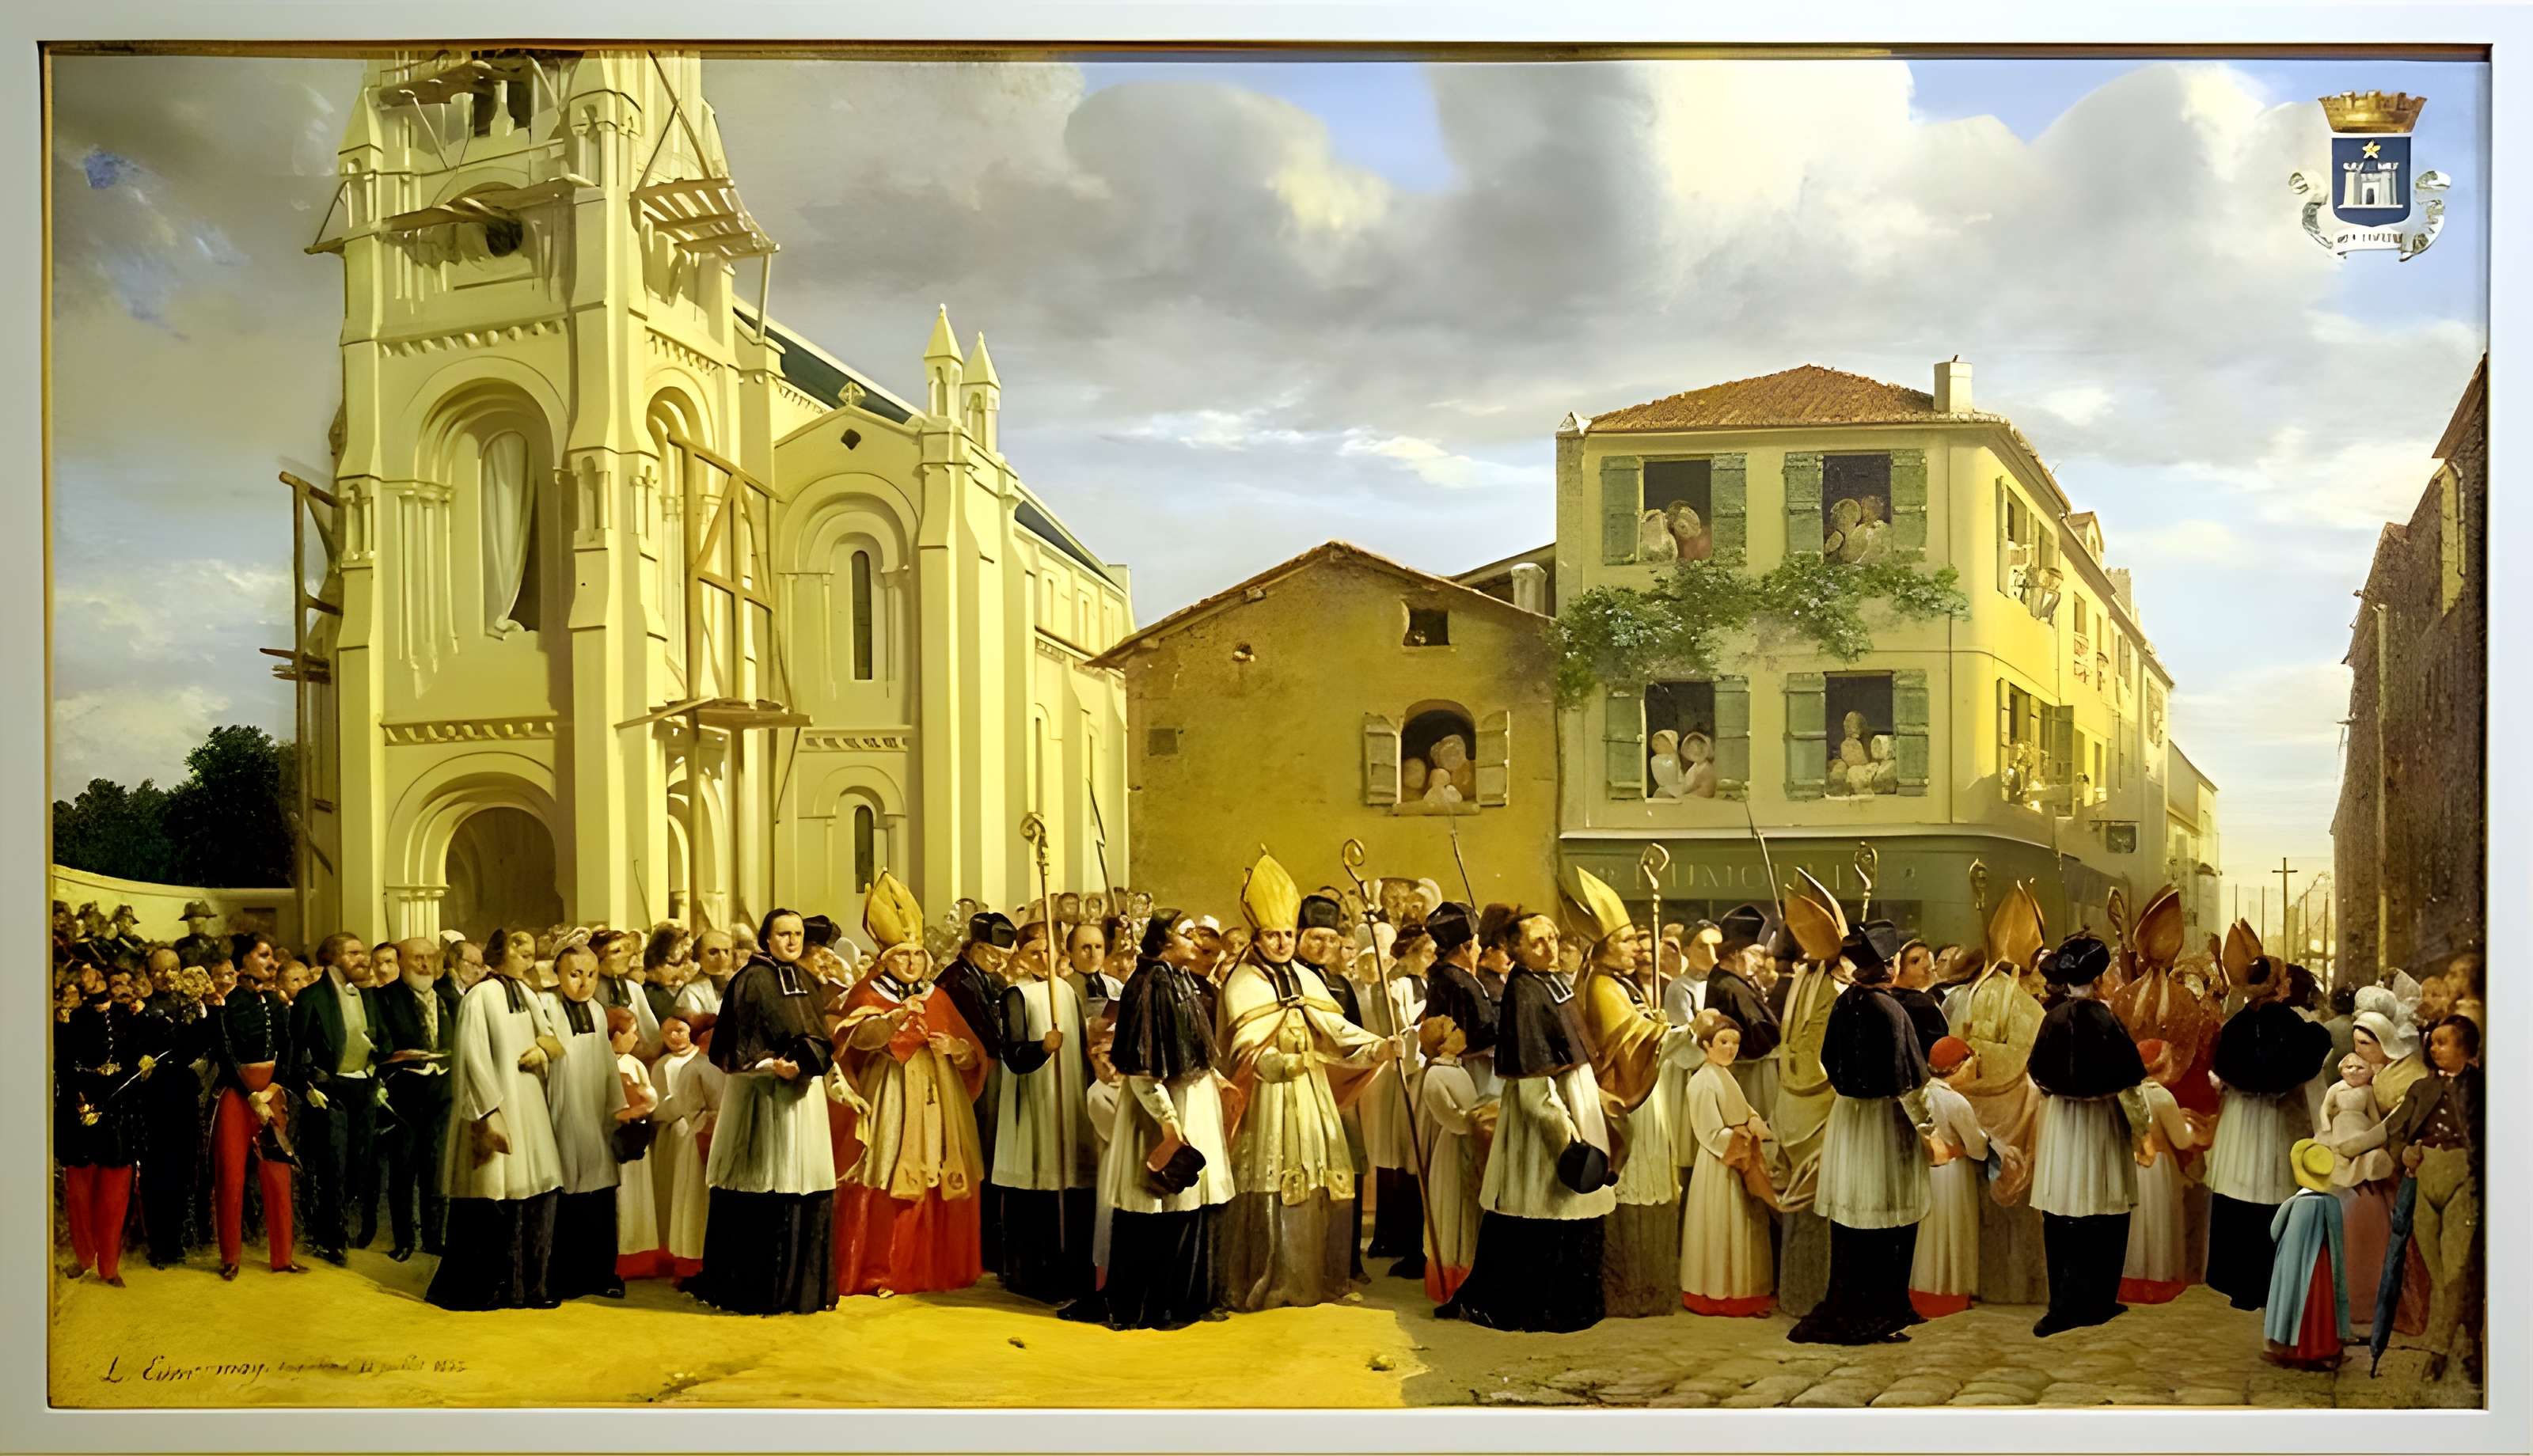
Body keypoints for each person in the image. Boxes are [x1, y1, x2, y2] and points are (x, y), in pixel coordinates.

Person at [1217, 854, 1393, 1312]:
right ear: (1256, 937)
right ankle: (1274, 1280)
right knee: (1276, 1184)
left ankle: (1315, 1279)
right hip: (1269, 1100)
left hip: (1311, 1094)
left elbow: (1337, 1030)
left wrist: (1378, 1045)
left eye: (1287, 935)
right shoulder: (1243, 981)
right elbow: (1243, 1049)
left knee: (1322, 1182)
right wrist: (1275, 1063)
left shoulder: (1306, 977)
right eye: (1272, 935)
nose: (1280, 943)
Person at [1436, 908, 1614, 1333]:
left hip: (1575, 1102)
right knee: (1543, 1211)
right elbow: (1537, 1093)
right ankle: (1538, 1311)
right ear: (1515, 950)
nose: (1549, 946)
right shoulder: (1526, 993)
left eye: (1552, 937)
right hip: (1546, 1126)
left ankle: (1571, 1309)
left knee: (1570, 1216)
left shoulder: (1551, 983)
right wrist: (1569, 1145)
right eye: (1537, 942)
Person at [1061, 911, 1236, 1330]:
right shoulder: (1147, 985)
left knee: (1185, 1209)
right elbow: (1143, 1070)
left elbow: (1191, 1048)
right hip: (1160, 1111)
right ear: (1164, 942)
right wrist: (1169, 1124)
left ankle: (1180, 1303)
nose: (1195, 940)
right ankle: (1143, 1308)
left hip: (1193, 1101)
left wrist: (1217, 1078)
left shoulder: (1178, 978)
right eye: (1187, 933)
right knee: (1154, 1209)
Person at [1787, 919, 1948, 1345]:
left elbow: (1828, 1061)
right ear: (1891, 964)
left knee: (1858, 1222)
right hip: (1883, 1123)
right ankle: (1876, 1313)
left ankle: (1876, 1307)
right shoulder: (1888, 1009)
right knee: (1886, 1221)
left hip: (1850, 1120)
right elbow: (1909, 1086)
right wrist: (1930, 1134)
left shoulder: (1846, 1003)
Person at [832, 878, 988, 1300]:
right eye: (903, 955)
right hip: (892, 1092)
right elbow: (852, 1040)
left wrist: (956, 1048)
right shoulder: (869, 992)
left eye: (917, 955)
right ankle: (882, 1270)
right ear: (885, 960)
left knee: (943, 1169)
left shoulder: (936, 995)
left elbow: (974, 1051)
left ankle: (938, 1266)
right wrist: (891, 1023)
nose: (912, 963)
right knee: (888, 1170)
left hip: (941, 1093)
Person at [689, 909, 842, 1314]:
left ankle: (801, 1292)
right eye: (783, 934)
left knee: (803, 1181)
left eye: (796, 934)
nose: (791, 941)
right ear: (766, 939)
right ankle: (757, 1292)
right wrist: (770, 1066)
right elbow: (733, 1045)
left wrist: (809, 1064)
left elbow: (820, 1037)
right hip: (761, 1099)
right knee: (766, 1183)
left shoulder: (806, 980)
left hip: (803, 1099)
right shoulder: (750, 980)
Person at [1568, 869, 1696, 1320]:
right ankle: (1634, 1292)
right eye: (1625, 943)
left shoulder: (1617, 983)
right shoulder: (1603, 986)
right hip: (1631, 1100)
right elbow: (1633, 1042)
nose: (1636, 950)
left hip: (1645, 1093)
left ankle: (1649, 1287)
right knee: (1638, 1187)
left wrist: (1659, 1027)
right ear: (1602, 949)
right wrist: (1677, 1033)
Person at [427, 927, 566, 1310]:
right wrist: (488, 1111)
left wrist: (542, 1051)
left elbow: (550, 1036)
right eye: (522, 953)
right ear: (501, 953)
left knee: (531, 1194)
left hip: (530, 1106)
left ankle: (526, 1289)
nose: (529, 960)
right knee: (492, 1197)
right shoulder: (480, 996)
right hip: (497, 1107)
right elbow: (472, 1057)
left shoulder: (526, 993)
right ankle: (483, 1289)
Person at [2025, 934, 2150, 1337]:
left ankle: (2061, 1304)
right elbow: (2131, 1086)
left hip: (2063, 1122)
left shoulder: (2053, 1018)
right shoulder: (2107, 1019)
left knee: (2063, 1210)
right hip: (2101, 1123)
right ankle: (2095, 1301)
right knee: (2102, 1212)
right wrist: (2141, 1128)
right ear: (2098, 979)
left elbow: (2037, 1075)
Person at [2202, 958, 2334, 1310]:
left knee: (2241, 1194)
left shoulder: (2235, 1027)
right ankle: (2274, 1283)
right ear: (2279, 986)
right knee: (2272, 1194)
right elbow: (2306, 1062)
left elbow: (2224, 1067)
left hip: (2241, 1122)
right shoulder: (2293, 1024)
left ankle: (2241, 1286)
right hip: (2276, 1121)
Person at [989, 910, 1096, 1305]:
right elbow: (1014, 1054)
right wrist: (1042, 1048)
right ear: (1023, 955)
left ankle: (1073, 1272)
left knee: (1072, 1183)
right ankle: (1031, 1275)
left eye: (1051, 950)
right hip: (1034, 1103)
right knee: (1037, 1188)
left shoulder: (1066, 992)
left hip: (1069, 1103)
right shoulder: (1016, 994)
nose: (1045, 958)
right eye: (1036, 951)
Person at [2383, 1014, 2483, 1384]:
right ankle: (2466, 1347)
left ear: (2466, 1048)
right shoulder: (2421, 1088)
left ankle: (2440, 1350)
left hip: (2462, 1175)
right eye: (2432, 1042)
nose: (2433, 1048)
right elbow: (2395, 1130)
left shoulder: (2481, 1088)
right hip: (2425, 1174)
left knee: (2457, 1268)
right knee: (2437, 1270)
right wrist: (2405, 1152)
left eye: (2443, 1042)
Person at [211, 932, 302, 1280]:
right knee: (231, 1175)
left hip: (271, 1094)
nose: (272, 963)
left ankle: (283, 1257)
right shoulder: (227, 1004)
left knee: (278, 1174)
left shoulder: (277, 1005)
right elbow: (226, 1053)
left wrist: (272, 1090)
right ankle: (230, 1257)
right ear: (244, 960)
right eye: (263, 956)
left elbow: (287, 1051)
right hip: (236, 1096)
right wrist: (249, 1093)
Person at [541, 944, 629, 1301]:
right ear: (558, 974)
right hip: (560, 1112)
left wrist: (617, 1108)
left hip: (596, 1114)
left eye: (591, 974)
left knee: (600, 1195)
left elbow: (607, 1065)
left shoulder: (596, 1010)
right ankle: (561, 1276)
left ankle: (600, 1273)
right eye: (575, 974)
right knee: (564, 1195)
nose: (584, 982)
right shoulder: (545, 1007)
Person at [1293, 892, 1374, 1280]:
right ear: (1299, 936)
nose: (1324, 947)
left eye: (1331, 940)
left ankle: (1347, 1259)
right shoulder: (1287, 979)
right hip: (1302, 1086)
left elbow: (1356, 1037)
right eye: (1316, 939)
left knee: (1349, 1169)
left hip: (1340, 1090)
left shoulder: (1342, 984)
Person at [288, 933, 381, 1264]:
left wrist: (376, 1072)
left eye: (363, 952)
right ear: (332, 957)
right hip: (329, 1092)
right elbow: (296, 1050)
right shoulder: (310, 997)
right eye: (354, 953)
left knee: (359, 1164)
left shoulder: (369, 996)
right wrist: (309, 1085)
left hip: (363, 1089)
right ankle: (331, 1237)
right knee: (333, 1167)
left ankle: (352, 1229)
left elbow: (378, 1040)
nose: (363, 958)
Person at [1681, 1007, 1775, 1317]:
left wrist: (1754, 1121)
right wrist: (1743, 1137)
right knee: (1723, 1227)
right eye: (1723, 1042)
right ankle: (1718, 1296)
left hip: (1740, 1157)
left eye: (1734, 1043)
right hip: (1720, 1165)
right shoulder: (1702, 1082)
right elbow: (1709, 1132)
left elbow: (1744, 1109)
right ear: (1706, 1046)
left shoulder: (1724, 1075)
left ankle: (1743, 1293)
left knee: (1742, 1226)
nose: (1730, 1049)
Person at [55, 962, 143, 1285]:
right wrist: (81, 1101)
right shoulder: (72, 1019)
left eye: (93, 975)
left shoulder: (129, 1018)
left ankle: (110, 1266)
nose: (86, 980)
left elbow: (140, 1061)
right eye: (84, 976)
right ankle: (83, 1257)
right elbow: (62, 1065)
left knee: (115, 1193)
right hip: (80, 1109)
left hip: (119, 1111)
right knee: (79, 1191)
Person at [375, 936, 461, 1262]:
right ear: (401, 962)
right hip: (404, 1094)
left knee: (436, 1169)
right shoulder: (384, 998)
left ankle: (434, 1238)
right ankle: (404, 1240)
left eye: (429, 958)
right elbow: (381, 1046)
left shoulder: (449, 998)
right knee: (403, 1169)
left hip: (442, 1093)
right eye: (417, 959)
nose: (425, 964)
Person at [942, 912, 1016, 1268]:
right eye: (992, 954)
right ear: (974, 947)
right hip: (973, 1077)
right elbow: (985, 1033)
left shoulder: (994, 979)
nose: (998, 962)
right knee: (980, 1155)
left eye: (1003, 957)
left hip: (994, 1070)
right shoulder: (956, 981)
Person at [133, 952, 213, 1269]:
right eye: (160, 970)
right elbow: (135, 1053)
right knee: (156, 1172)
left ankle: (177, 1241)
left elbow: (204, 1046)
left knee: (184, 1170)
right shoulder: (142, 1013)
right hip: (155, 1103)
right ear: (149, 975)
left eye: (174, 969)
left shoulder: (193, 1009)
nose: (168, 976)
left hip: (184, 1096)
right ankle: (158, 1245)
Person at [1361, 924, 1433, 1278]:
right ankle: (1393, 1235)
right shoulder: (1394, 986)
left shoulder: (1424, 983)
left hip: (1420, 1074)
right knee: (1401, 1152)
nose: (1430, 958)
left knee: (1413, 1154)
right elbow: (1395, 1031)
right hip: (1399, 1074)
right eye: (1425, 952)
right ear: (1409, 955)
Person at [1908, 1036, 1989, 1319]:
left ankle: (1920, 1293)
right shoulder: (1956, 1102)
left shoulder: (1919, 1093)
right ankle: (1949, 1296)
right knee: (1953, 1232)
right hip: (1953, 1175)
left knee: (1925, 1235)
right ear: (1957, 1067)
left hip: (1923, 1171)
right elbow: (1978, 1149)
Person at [2119, 1038, 2205, 1306]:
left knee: (2132, 1225)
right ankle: (2157, 1279)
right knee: (2158, 1222)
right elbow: (2181, 1141)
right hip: (2157, 1167)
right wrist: (2192, 1127)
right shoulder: (2161, 1097)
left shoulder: (2121, 1093)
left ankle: (2127, 1278)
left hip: (2127, 1166)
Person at [1411, 1014, 1485, 1307]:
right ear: (1442, 1045)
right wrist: (1477, 1121)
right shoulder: (1436, 1076)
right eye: (1454, 1029)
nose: (1461, 1031)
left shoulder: (1458, 1069)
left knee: (1468, 1209)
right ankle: (1450, 1279)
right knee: (1454, 1208)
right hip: (1455, 1147)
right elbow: (1452, 1117)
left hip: (1470, 1143)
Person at [2261, 1138, 2351, 1370]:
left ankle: (2292, 1348)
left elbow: (2274, 1231)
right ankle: (2325, 1347)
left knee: (2295, 1299)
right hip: (2325, 1266)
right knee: (2322, 1303)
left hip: (2296, 1265)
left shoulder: (2295, 1203)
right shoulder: (2332, 1203)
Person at [647, 1010, 722, 1283]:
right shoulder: (668, 1066)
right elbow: (673, 1106)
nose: (676, 1037)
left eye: (681, 1030)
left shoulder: (712, 1064)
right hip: (686, 1134)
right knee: (686, 1198)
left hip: (709, 1135)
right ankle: (686, 1259)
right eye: (669, 1032)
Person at [1701, 904, 1783, 1120]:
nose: (1760, 963)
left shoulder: (1729, 980)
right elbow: (1762, 1042)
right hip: (1749, 1080)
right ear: (1736, 953)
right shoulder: (1731, 988)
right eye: (1755, 954)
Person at [606, 1006, 663, 1283]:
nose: (636, 1038)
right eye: (631, 1032)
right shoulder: (602, 1063)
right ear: (615, 1035)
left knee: (637, 1197)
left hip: (636, 1139)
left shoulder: (634, 1064)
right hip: (614, 1139)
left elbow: (649, 1098)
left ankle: (639, 1257)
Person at [1422, 903, 1501, 1097]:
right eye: (1476, 944)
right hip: (1475, 1070)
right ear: (1465, 947)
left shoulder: (1442, 976)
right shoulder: (1461, 983)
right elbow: (1483, 1030)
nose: (1480, 950)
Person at [590, 929, 662, 1060]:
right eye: (616, 951)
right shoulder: (589, 991)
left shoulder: (633, 989)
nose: (627, 955)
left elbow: (650, 1031)